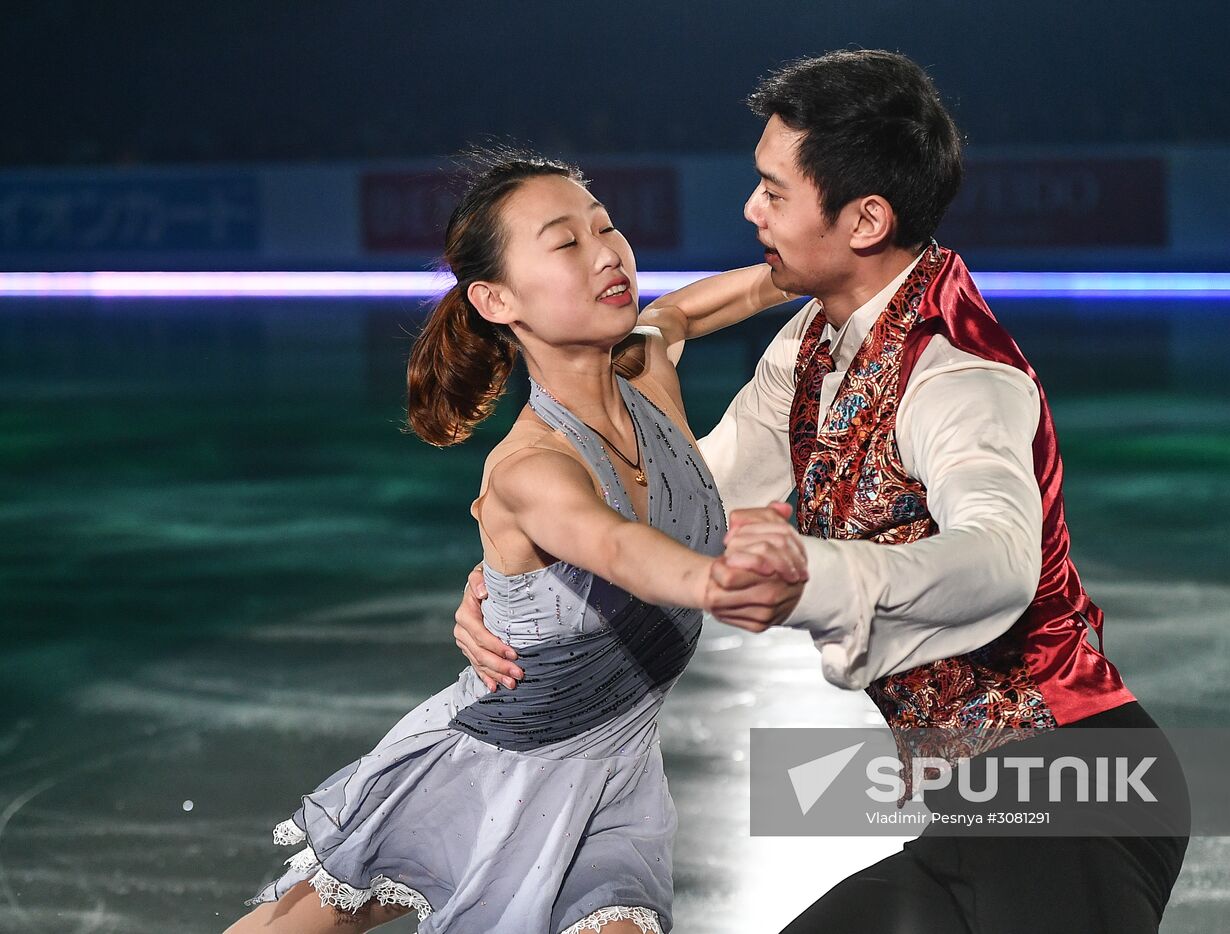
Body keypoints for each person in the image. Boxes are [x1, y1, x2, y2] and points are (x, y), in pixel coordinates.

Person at [455, 52, 1192, 933]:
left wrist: (817, 576)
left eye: (774, 191)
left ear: (866, 218)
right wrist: (520, 575)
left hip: (1073, 799)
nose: (750, 210)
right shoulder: (812, 344)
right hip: (971, 814)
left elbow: (1002, 562)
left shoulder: (960, 377)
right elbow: (687, 504)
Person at [227, 148, 808, 934]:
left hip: (617, 772)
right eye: (566, 243)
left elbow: (692, 309)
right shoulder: (530, 467)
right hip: (493, 764)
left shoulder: (648, 366)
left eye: (606, 227)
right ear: (497, 298)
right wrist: (718, 579)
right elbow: (613, 547)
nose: (608, 252)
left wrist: (813, 265)